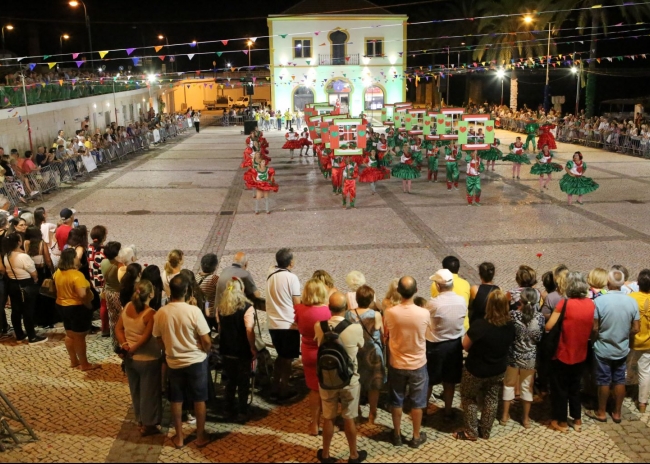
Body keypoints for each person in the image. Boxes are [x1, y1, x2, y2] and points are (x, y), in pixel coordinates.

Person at [153, 274, 212, 449]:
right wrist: (204, 350)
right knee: (199, 399)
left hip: (174, 362)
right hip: (195, 361)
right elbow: (206, 340)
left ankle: (179, 438)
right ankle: (200, 436)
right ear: (186, 291)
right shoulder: (194, 311)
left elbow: (157, 338)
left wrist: (169, 348)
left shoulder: (161, 312)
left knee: (176, 400)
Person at [454, 290, 515, 441]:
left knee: (468, 397)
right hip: (498, 369)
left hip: (476, 370)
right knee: (492, 398)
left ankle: (471, 431)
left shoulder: (480, 325)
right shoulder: (510, 326)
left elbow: (465, 345)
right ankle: (485, 430)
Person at [314, 292, 367, 464]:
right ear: (345, 309)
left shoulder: (318, 326)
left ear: (329, 308)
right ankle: (353, 455)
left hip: (327, 379)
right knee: (349, 417)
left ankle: (326, 454)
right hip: (349, 380)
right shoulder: (355, 328)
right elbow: (361, 346)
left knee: (328, 417)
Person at [383, 276, 433, 448]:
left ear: (398, 291)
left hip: (397, 362)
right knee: (417, 402)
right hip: (418, 362)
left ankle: (396, 434)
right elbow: (428, 333)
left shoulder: (390, 312)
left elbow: (386, 334)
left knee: (397, 400)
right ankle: (416, 436)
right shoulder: (424, 313)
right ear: (416, 291)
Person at [587, 270, 640, 423]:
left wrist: (594, 340)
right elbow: (636, 328)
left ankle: (601, 412)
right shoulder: (631, 302)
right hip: (621, 348)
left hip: (603, 347)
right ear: (623, 283)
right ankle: (617, 413)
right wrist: (625, 335)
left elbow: (595, 327)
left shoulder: (600, 301)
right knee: (619, 380)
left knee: (603, 380)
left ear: (608, 283)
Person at [545, 271, 595, 432]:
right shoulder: (591, 304)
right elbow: (594, 327)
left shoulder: (564, 304)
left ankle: (561, 421)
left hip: (563, 352)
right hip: (581, 353)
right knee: (575, 388)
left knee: (560, 389)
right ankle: (577, 420)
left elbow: (549, 326)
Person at [115, 279, 163, 436]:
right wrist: (133, 348)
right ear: (151, 294)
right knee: (149, 392)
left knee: (136, 391)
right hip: (148, 358)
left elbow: (118, 328)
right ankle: (149, 425)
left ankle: (140, 419)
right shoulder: (151, 314)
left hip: (130, 359)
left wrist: (125, 345)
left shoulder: (128, 306)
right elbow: (146, 337)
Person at [500, 288, 545, 429]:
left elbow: (508, 334)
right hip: (530, 357)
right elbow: (539, 338)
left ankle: (504, 415)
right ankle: (526, 419)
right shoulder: (539, 317)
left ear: (521, 300)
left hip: (513, 355)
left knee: (508, 384)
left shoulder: (512, 315)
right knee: (527, 387)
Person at [425, 269, 467, 418]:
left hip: (435, 345)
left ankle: (423, 410)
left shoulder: (433, 304)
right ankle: (448, 410)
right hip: (455, 344)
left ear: (437, 285)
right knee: (450, 381)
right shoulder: (461, 300)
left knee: (429, 380)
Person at [293, 278, 331, 435]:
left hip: (308, 352)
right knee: (327, 391)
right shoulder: (327, 311)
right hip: (325, 352)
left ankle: (314, 424)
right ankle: (328, 423)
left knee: (314, 391)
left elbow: (296, 324)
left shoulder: (299, 309)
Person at [218, 276, 258, 422]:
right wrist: (253, 347)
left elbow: (221, 328)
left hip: (227, 349)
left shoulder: (221, 308)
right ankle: (242, 410)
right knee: (243, 382)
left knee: (229, 381)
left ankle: (227, 409)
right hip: (242, 350)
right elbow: (249, 330)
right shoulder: (247, 307)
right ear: (241, 289)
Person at [345, 285, 385, 425]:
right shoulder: (375, 315)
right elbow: (382, 333)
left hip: (357, 350)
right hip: (373, 352)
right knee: (374, 383)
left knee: (357, 381)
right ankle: (372, 412)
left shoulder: (349, 314)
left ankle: (356, 411)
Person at [266, 248, 302, 402]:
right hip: (288, 324)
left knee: (280, 356)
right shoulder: (291, 278)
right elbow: (297, 303)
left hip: (273, 323)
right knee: (287, 359)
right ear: (290, 263)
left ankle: (274, 385)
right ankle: (284, 389)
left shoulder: (271, 276)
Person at [53, 248, 98, 369]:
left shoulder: (58, 272)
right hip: (76, 307)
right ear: (72, 259)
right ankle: (84, 364)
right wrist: (88, 305)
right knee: (79, 337)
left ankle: (74, 361)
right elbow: (82, 294)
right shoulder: (77, 276)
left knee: (70, 334)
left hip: (62, 305)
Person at [1, 232, 46, 344]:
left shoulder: (7, 255)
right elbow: (34, 274)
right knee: (28, 311)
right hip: (26, 285)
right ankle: (32, 336)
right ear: (18, 242)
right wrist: (35, 280)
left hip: (12, 284)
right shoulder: (23, 257)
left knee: (16, 310)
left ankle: (19, 335)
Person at [24, 226, 55, 328]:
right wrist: (52, 270)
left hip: (30, 271)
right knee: (44, 295)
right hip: (42, 272)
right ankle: (46, 320)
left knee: (34, 296)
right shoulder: (42, 243)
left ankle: (35, 319)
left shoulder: (26, 243)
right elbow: (48, 259)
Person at [630, 269, 650, 413]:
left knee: (625, 367)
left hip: (632, 340)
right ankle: (643, 402)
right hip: (648, 341)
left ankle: (622, 391)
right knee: (646, 371)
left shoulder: (632, 297)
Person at [100, 241, 124, 351]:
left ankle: (114, 342)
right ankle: (122, 342)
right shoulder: (119, 265)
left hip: (108, 293)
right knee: (122, 318)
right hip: (118, 293)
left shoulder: (104, 262)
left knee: (112, 318)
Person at [88, 225, 109, 336]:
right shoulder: (103, 251)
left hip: (93, 280)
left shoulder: (89, 248)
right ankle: (105, 328)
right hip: (102, 281)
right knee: (104, 306)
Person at [197, 253, 219, 333]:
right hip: (212, 311)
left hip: (202, 310)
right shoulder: (214, 278)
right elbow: (223, 289)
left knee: (207, 331)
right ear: (214, 267)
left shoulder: (197, 276)